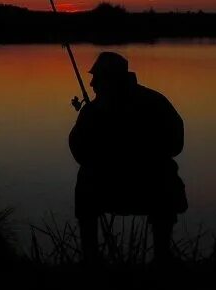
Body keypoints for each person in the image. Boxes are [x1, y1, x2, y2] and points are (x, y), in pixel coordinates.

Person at [68, 51, 187, 263]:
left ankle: (91, 258)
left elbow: (79, 150)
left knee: (86, 179)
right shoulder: (156, 100)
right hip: (149, 187)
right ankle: (163, 256)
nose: (92, 83)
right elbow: (176, 144)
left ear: (110, 79)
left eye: (97, 77)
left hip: (115, 187)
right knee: (166, 174)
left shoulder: (92, 111)